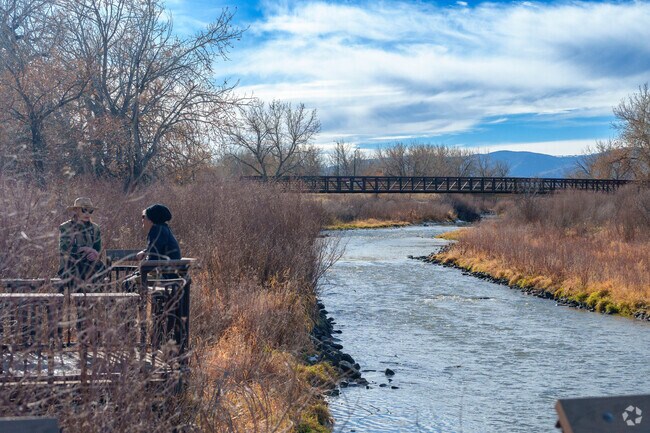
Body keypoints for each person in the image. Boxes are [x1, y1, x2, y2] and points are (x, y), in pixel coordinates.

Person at [58, 197, 105, 284]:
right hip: (70, 265)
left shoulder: (95, 229)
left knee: (99, 271)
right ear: (76, 211)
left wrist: (95, 254)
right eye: (84, 210)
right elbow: (64, 249)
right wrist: (84, 249)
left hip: (90, 265)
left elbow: (98, 249)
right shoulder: (66, 227)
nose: (87, 213)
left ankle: (96, 296)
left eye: (90, 211)